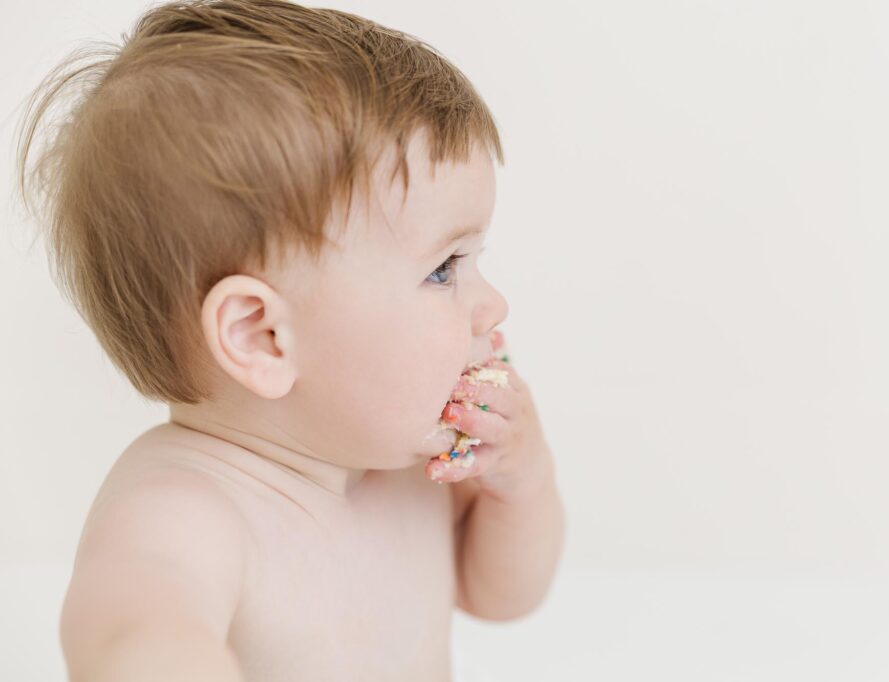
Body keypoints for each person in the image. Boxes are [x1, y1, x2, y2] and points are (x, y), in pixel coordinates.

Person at [14, 1, 566, 679]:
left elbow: (501, 596)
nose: (493, 306)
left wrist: (522, 479)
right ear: (262, 336)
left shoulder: (399, 459)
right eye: (443, 269)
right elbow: (131, 638)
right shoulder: (184, 512)